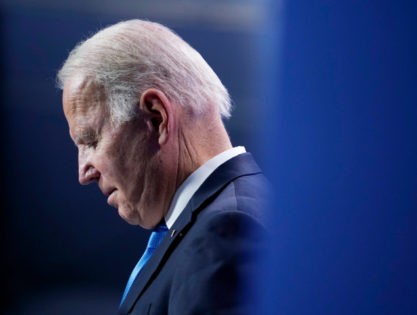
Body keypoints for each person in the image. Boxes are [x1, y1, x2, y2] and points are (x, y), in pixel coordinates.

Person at [57, 19, 269, 315]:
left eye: (91, 140)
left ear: (156, 118)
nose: (84, 173)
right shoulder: (213, 221)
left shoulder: (225, 230)